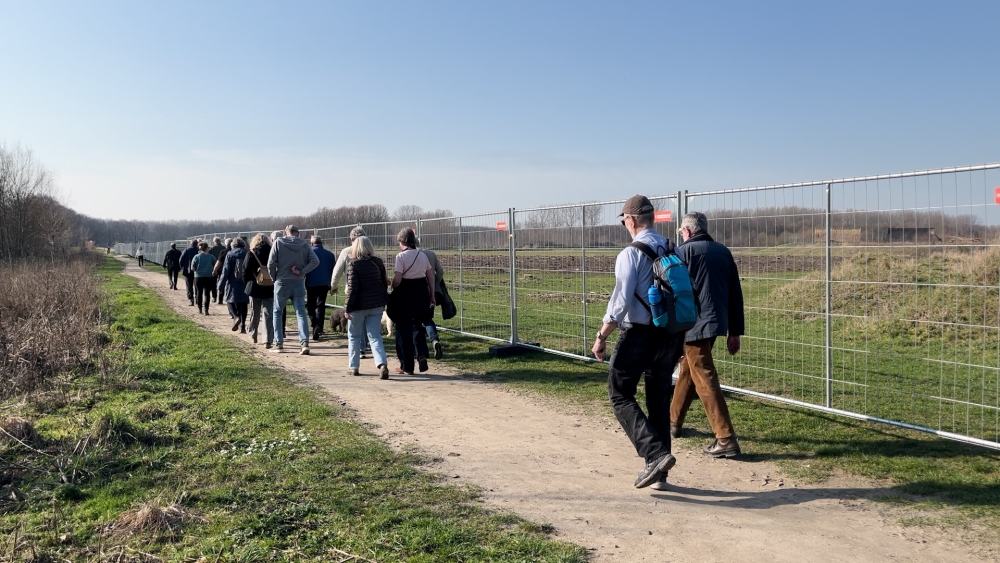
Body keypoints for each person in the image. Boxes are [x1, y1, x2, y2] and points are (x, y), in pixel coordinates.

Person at [592, 195, 684, 490]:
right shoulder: (673, 249)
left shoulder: (630, 254)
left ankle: (654, 454)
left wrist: (602, 336)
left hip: (639, 334)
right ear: (652, 218)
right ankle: (661, 474)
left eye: (623, 220)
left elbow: (620, 301)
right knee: (658, 400)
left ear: (631, 220)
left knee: (620, 393)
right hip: (670, 334)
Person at [670, 211, 745, 458]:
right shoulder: (723, 251)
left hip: (694, 324)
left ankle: (725, 438)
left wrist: (671, 328)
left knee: (704, 375)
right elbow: (736, 294)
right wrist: (735, 331)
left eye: (681, 231)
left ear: (688, 231)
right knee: (689, 372)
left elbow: (675, 292)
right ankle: (672, 422)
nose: (681, 235)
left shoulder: (684, 252)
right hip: (717, 324)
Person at [389, 228, 435, 375]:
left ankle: (407, 366)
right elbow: (430, 277)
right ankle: (421, 354)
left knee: (403, 331)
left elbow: (398, 279)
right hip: (421, 292)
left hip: (405, 294)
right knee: (417, 326)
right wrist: (432, 295)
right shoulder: (422, 256)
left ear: (401, 241)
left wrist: (392, 285)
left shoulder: (400, 257)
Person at [268, 225, 319, 355]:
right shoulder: (304, 244)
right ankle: (304, 343)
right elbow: (315, 261)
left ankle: (279, 344)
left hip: (282, 282)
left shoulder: (278, 242)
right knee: (301, 313)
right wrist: (302, 272)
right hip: (298, 282)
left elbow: (271, 263)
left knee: (277, 312)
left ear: (286, 232)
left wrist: (274, 277)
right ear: (298, 233)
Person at [344, 236, 390, 379]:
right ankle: (382, 363)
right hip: (376, 305)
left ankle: (354, 367)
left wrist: (347, 308)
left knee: (354, 336)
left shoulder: (353, 264)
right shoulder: (378, 262)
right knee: (375, 336)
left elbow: (353, 289)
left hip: (358, 306)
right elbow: (384, 282)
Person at [243, 233, 275, 348]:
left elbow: (245, 270)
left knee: (254, 313)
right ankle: (268, 339)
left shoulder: (251, 253)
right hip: (269, 286)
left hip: (254, 287)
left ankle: (253, 332)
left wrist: (247, 282)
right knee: (268, 314)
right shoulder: (272, 252)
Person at [417, 236, 446, 360]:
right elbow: (440, 271)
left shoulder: (410, 254)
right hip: (430, 291)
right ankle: (434, 340)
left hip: (416, 291)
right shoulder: (430, 253)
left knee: (416, 321)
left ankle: (421, 351)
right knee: (428, 318)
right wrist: (435, 282)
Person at [306, 236, 336, 341]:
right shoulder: (330, 255)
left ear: (312, 243)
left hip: (311, 283)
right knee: (321, 305)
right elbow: (334, 270)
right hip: (325, 283)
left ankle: (315, 325)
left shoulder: (309, 253)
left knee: (311, 306)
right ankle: (320, 327)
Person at [219, 237, 250, 333]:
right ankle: (243, 326)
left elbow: (225, 270)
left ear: (233, 245)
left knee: (229, 300)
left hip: (232, 282)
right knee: (243, 304)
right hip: (245, 282)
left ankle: (236, 317)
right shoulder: (247, 253)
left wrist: (220, 285)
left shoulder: (230, 254)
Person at [330, 226, 365, 295]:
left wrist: (334, 286)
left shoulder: (346, 252)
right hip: (371, 293)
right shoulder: (371, 251)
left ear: (351, 239)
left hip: (352, 291)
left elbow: (337, 272)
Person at [191, 242, 217, 315]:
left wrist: (196, 270)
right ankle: (206, 310)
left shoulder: (196, 257)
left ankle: (200, 309)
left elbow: (192, 268)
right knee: (207, 293)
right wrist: (213, 271)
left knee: (199, 292)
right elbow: (215, 265)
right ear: (207, 248)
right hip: (209, 276)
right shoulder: (211, 256)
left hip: (198, 276)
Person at [179, 240, 199, 306]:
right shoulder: (199, 250)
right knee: (197, 285)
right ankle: (197, 298)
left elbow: (181, 260)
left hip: (188, 271)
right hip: (197, 271)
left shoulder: (186, 250)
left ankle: (191, 299)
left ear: (191, 243)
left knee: (189, 285)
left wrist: (182, 267)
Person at [212, 238, 231, 307]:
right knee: (224, 283)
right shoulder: (225, 249)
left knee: (216, 283)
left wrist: (214, 270)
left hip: (219, 268)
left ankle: (214, 297)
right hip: (226, 269)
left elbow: (218, 261)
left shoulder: (215, 249)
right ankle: (221, 299)